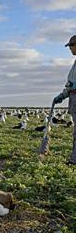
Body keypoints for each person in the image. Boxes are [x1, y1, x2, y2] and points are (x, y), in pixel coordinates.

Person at [53, 35, 76, 165]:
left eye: (71, 46)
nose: (70, 49)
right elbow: (70, 84)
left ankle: (74, 160)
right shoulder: (75, 63)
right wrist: (62, 96)